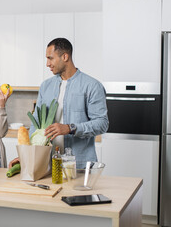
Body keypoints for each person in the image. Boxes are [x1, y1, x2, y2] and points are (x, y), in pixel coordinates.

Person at [9, 38, 108, 168]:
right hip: (47, 163)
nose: (47, 64)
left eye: (50, 58)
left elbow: (102, 124)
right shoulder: (46, 86)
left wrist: (70, 128)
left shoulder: (92, 86)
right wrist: (26, 155)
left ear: (65, 57)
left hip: (79, 165)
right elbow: (36, 124)